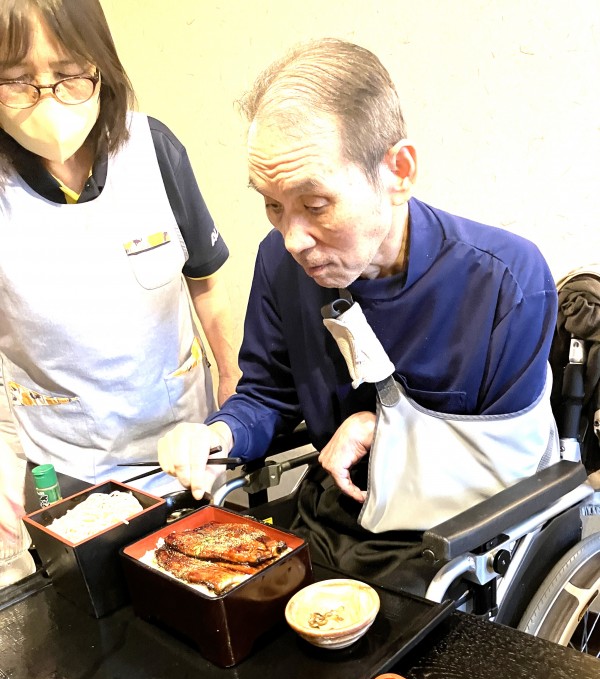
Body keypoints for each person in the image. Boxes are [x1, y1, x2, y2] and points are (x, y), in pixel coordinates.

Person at [158, 38, 559, 583]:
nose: (293, 238)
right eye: (273, 205)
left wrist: (385, 433)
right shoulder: (280, 263)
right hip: (333, 523)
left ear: (398, 171)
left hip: (452, 548)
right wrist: (218, 436)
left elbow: (508, 466)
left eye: (315, 204)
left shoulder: (506, 282)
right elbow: (267, 395)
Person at [0, 0, 240, 546]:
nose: (47, 100)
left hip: (182, 444)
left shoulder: (152, 149)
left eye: (68, 75)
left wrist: (232, 382)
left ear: (101, 67)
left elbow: (206, 282)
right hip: (68, 463)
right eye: (16, 80)